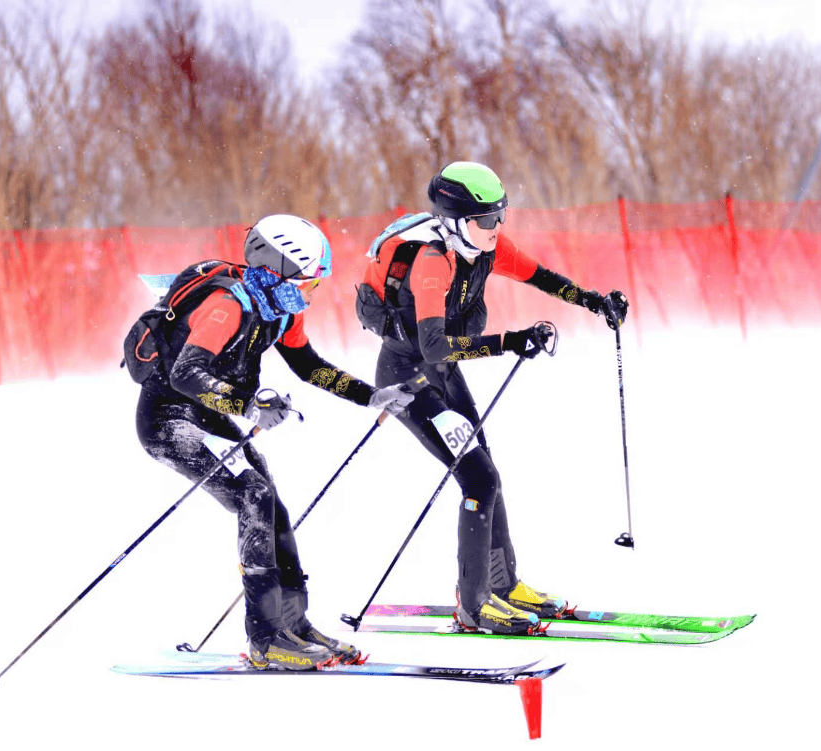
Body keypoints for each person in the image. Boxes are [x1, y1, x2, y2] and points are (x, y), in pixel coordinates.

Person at [356, 161, 628, 635]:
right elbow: (433, 347)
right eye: (486, 219)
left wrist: (594, 301)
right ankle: (474, 604)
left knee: (486, 473)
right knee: (479, 478)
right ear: (457, 221)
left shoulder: (486, 247)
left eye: (501, 215)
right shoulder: (432, 262)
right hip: (407, 381)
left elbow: (541, 277)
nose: (497, 226)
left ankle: (502, 586)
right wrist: (508, 342)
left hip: (440, 374)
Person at [133, 214, 414, 669]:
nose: (313, 293)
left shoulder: (282, 307)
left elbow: (308, 365)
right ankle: (265, 638)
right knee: (253, 495)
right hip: (169, 419)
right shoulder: (227, 306)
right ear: (278, 272)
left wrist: (371, 396)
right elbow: (185, 375)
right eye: (309, 282)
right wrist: (248, 405)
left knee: (270, 504)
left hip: (209, 414)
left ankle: (293, 624)